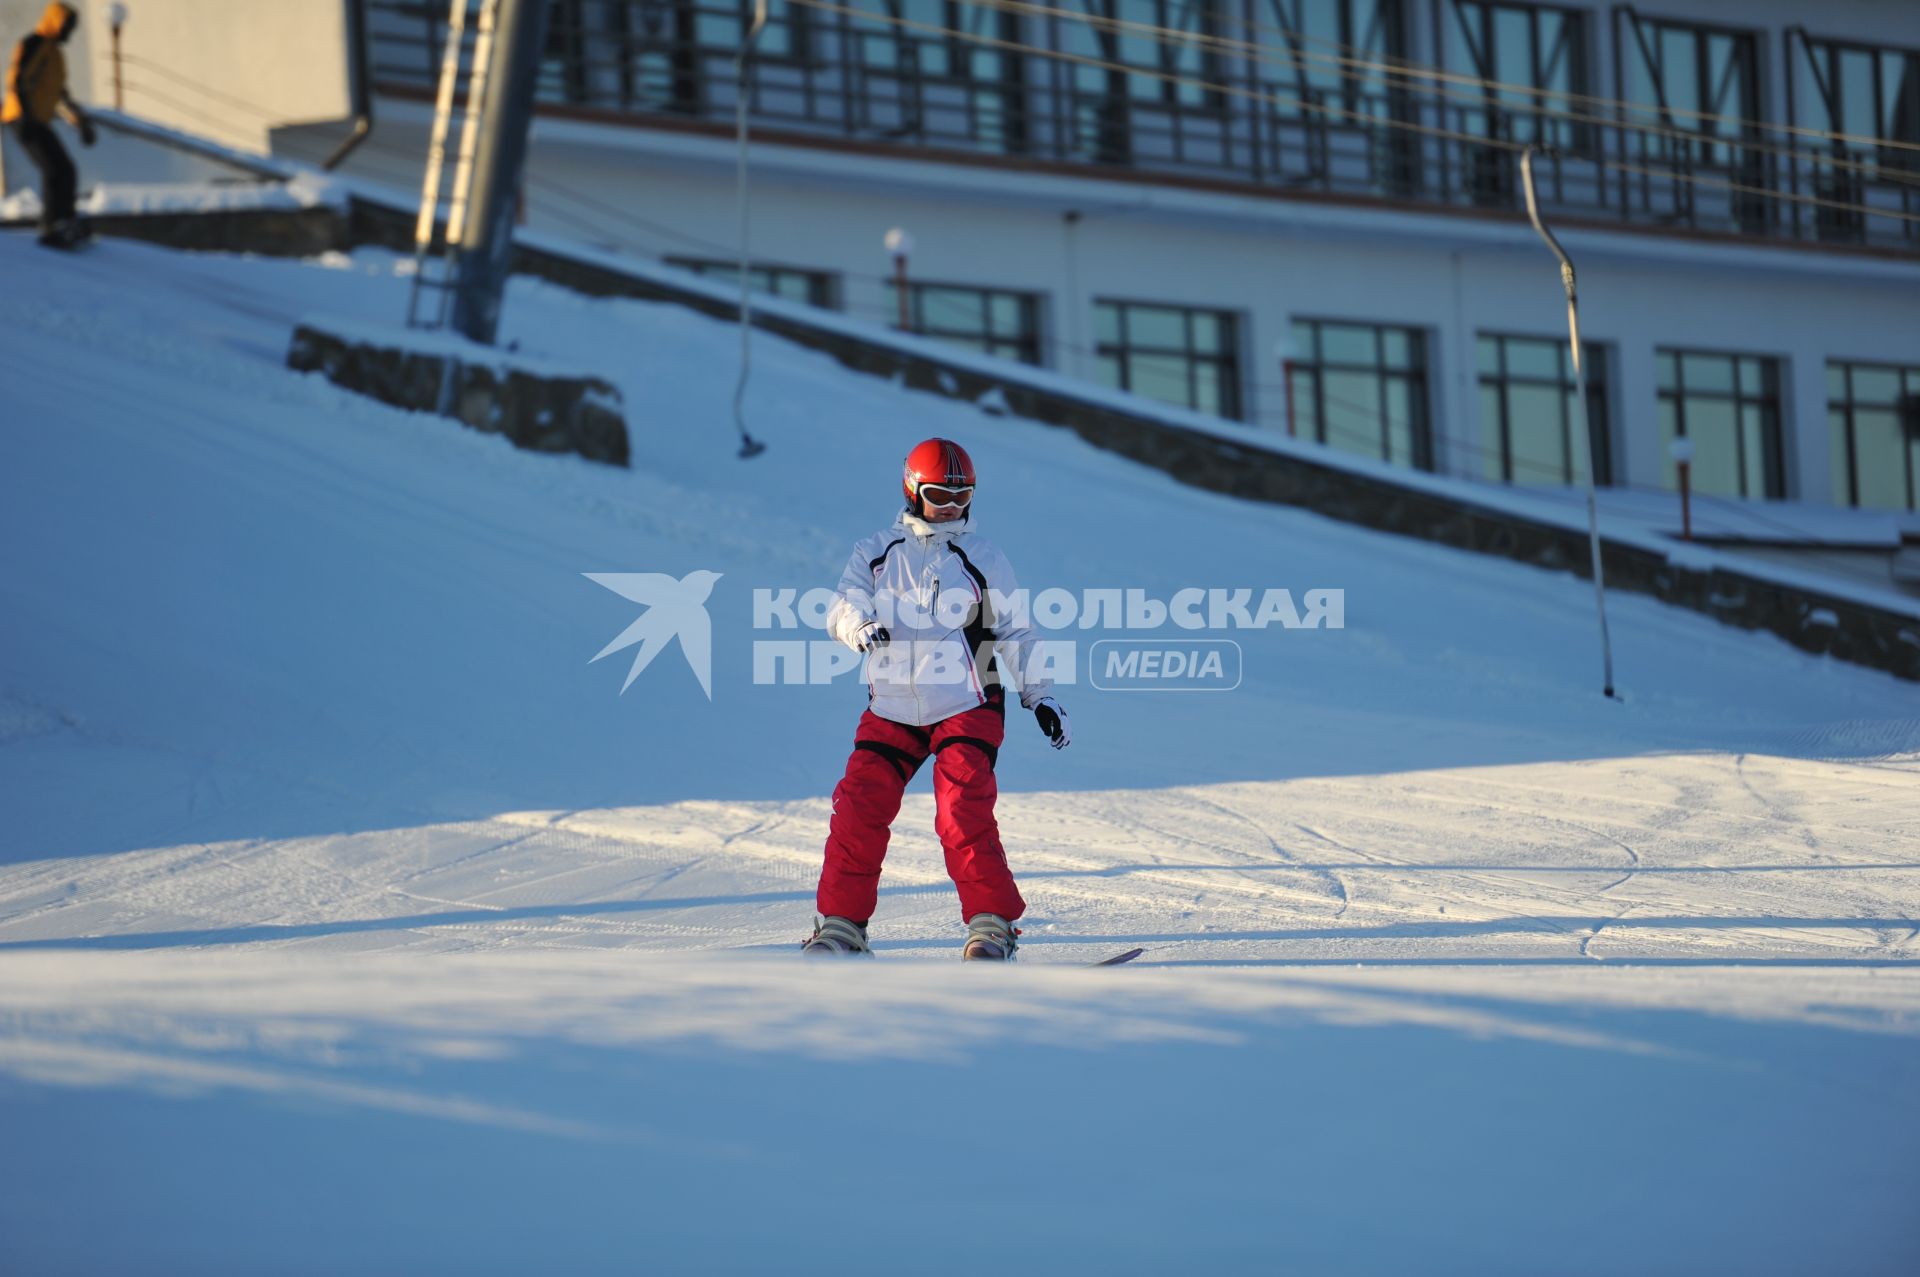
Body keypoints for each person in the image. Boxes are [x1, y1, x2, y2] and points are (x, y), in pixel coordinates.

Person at [805, 437, 1071, 961]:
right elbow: (842, 603)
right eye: (939, 498)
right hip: (893, 709)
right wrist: (858, 625)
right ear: (912, 490)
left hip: (968, 702)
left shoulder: (982, 557)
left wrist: (1040, 695)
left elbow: (1015, 631)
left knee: (960, 810)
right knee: (859, 806)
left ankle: (992, 926)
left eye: (961, 499)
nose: (951, 510)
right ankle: (842, 927)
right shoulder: (877, 552)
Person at [4, 3, 94, 249]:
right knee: (54, 169)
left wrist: (80, 122)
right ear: (56, 21)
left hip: (37, 121)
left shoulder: (55, 55)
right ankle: (51, 225)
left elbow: (60, 95)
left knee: (66, 168)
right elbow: (18, 80)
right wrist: (25, 115)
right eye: (67, 27)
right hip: (22, 118)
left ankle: (65, 219)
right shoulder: (35, 43)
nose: (69, 33)